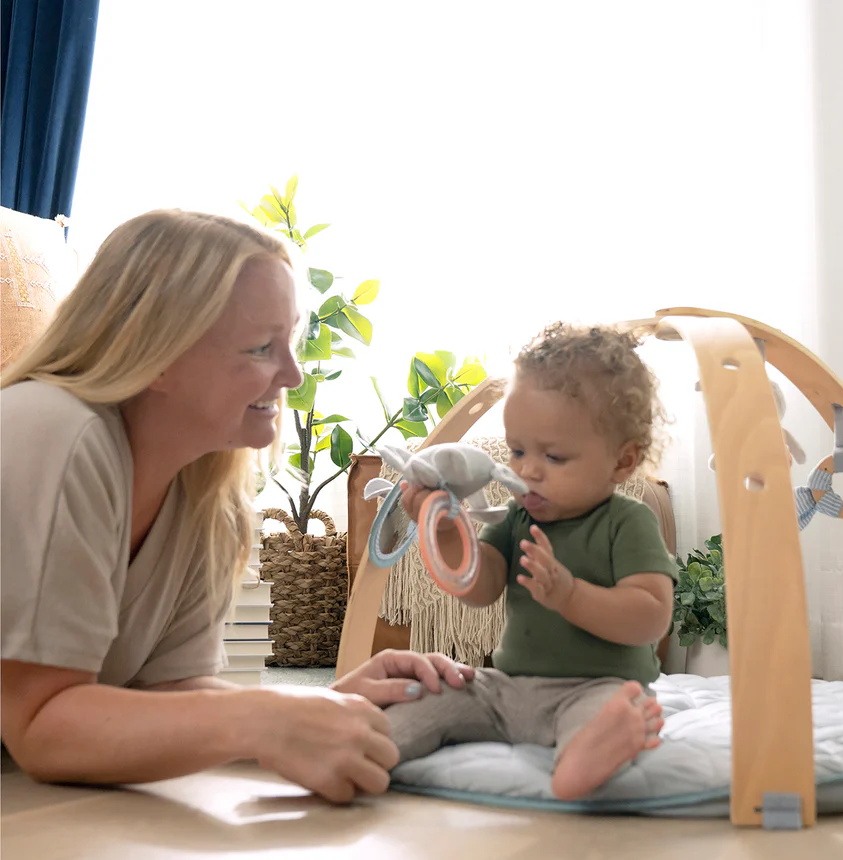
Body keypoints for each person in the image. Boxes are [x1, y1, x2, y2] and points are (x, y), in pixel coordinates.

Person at [0, 209, 474, 804]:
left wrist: (322, 709)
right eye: (259, 347)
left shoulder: (207, 493)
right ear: (156, 352)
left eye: (291, 341)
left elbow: (161, 693)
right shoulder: (51, 431)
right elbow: (41, 727)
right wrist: (260, 718)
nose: (294, 373)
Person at [393, 322, 677, 800]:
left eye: (555, 456)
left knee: (608, 712)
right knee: (435, 695)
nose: (526, 470)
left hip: (597, 690)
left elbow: (651, 617)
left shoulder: (627, 523)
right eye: (518, 451)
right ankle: (375, 741)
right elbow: (478, 587)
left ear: (622, 463)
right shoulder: (517, 518)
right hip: (508, 690)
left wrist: (569, 595)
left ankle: (592, 754)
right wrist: (443, 528)